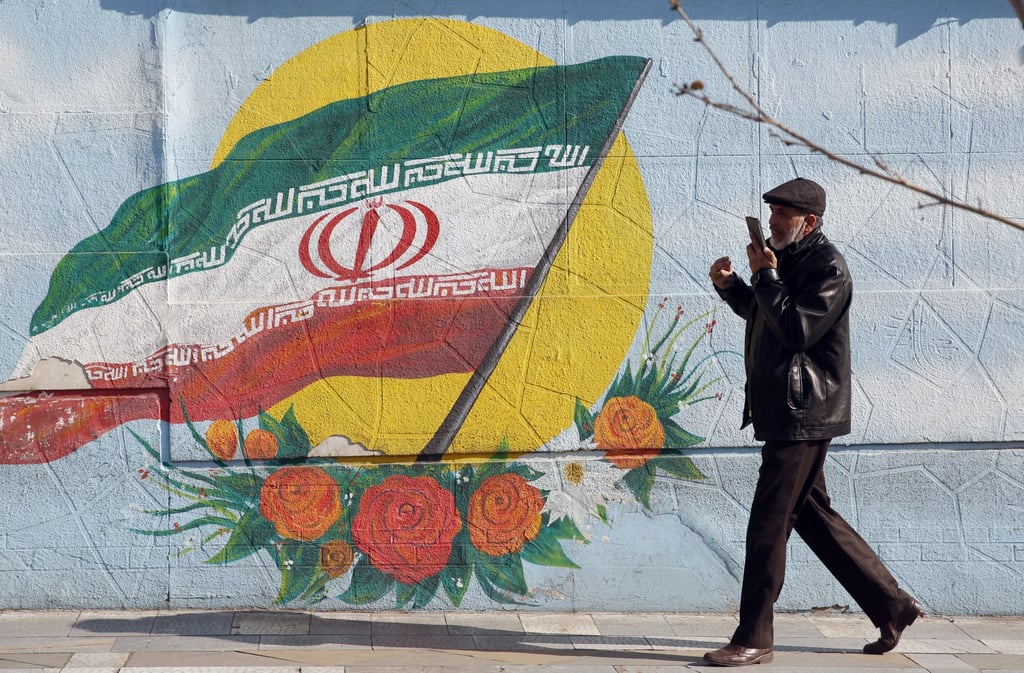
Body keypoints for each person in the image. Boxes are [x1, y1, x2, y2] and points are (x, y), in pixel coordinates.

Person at [703, 178, 922, 667]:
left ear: (810, 222)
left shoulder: (828, 268)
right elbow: (767, 318)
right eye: (772, 213)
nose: (774, 222)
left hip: (804, 413)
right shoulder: (789, 261)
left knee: (769, 523)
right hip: (785, 409)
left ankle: (754, 636)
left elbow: (798, 331)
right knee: (813, 517)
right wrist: (733, 286)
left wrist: (764, 277)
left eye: (782, 215)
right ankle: (892, 605)